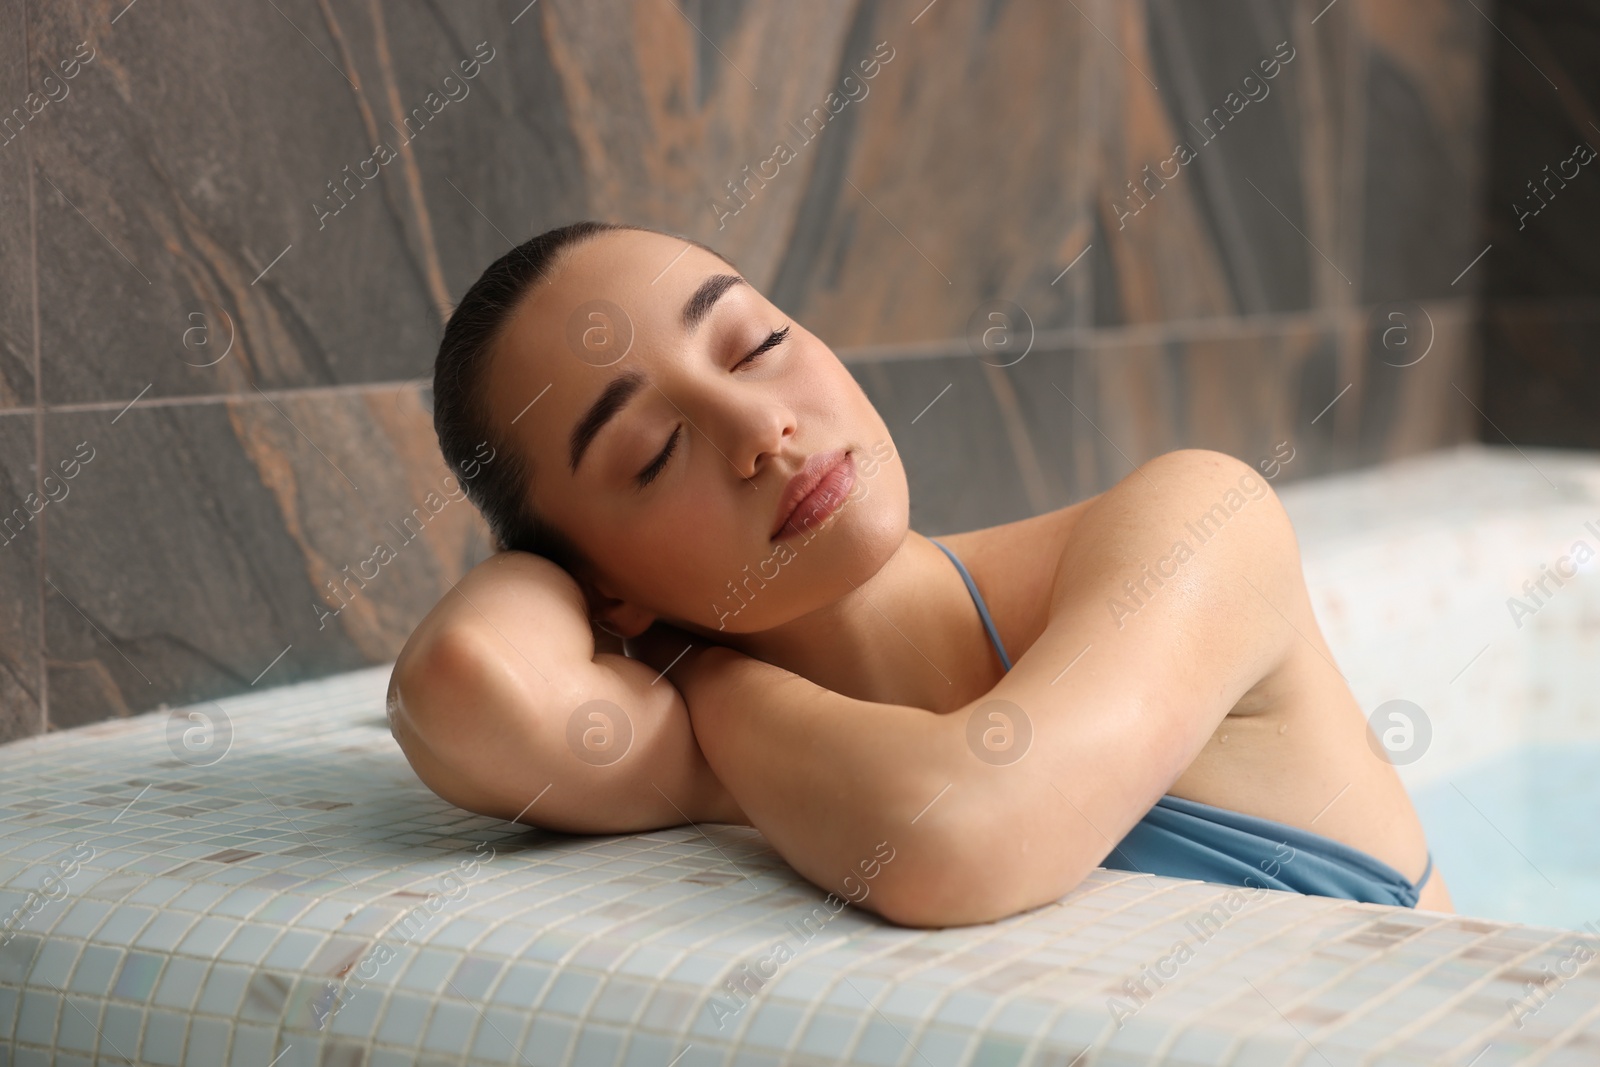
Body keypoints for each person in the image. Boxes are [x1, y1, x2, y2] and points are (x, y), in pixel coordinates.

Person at [387, 220, 1453, 927]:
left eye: (753, 342)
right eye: (653, 451)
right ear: (599, 588)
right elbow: (466, 679)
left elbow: (958, 832)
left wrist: (698, 689)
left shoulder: (1197, 520)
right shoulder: (770, 753)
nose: (763, 426)